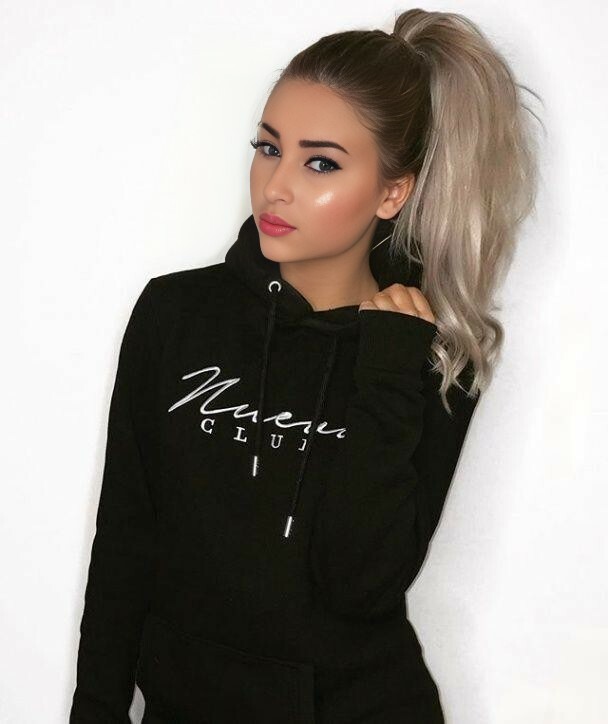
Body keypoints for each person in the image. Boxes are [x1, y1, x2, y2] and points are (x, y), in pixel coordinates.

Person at [69, 8, 540, 723]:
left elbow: (361, 585)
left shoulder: (431, 358)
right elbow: (125, 545)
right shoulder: (176, 316)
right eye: (269, 148)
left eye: (320, 162)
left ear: (392, 192)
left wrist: (386, 374)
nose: (276, 186)